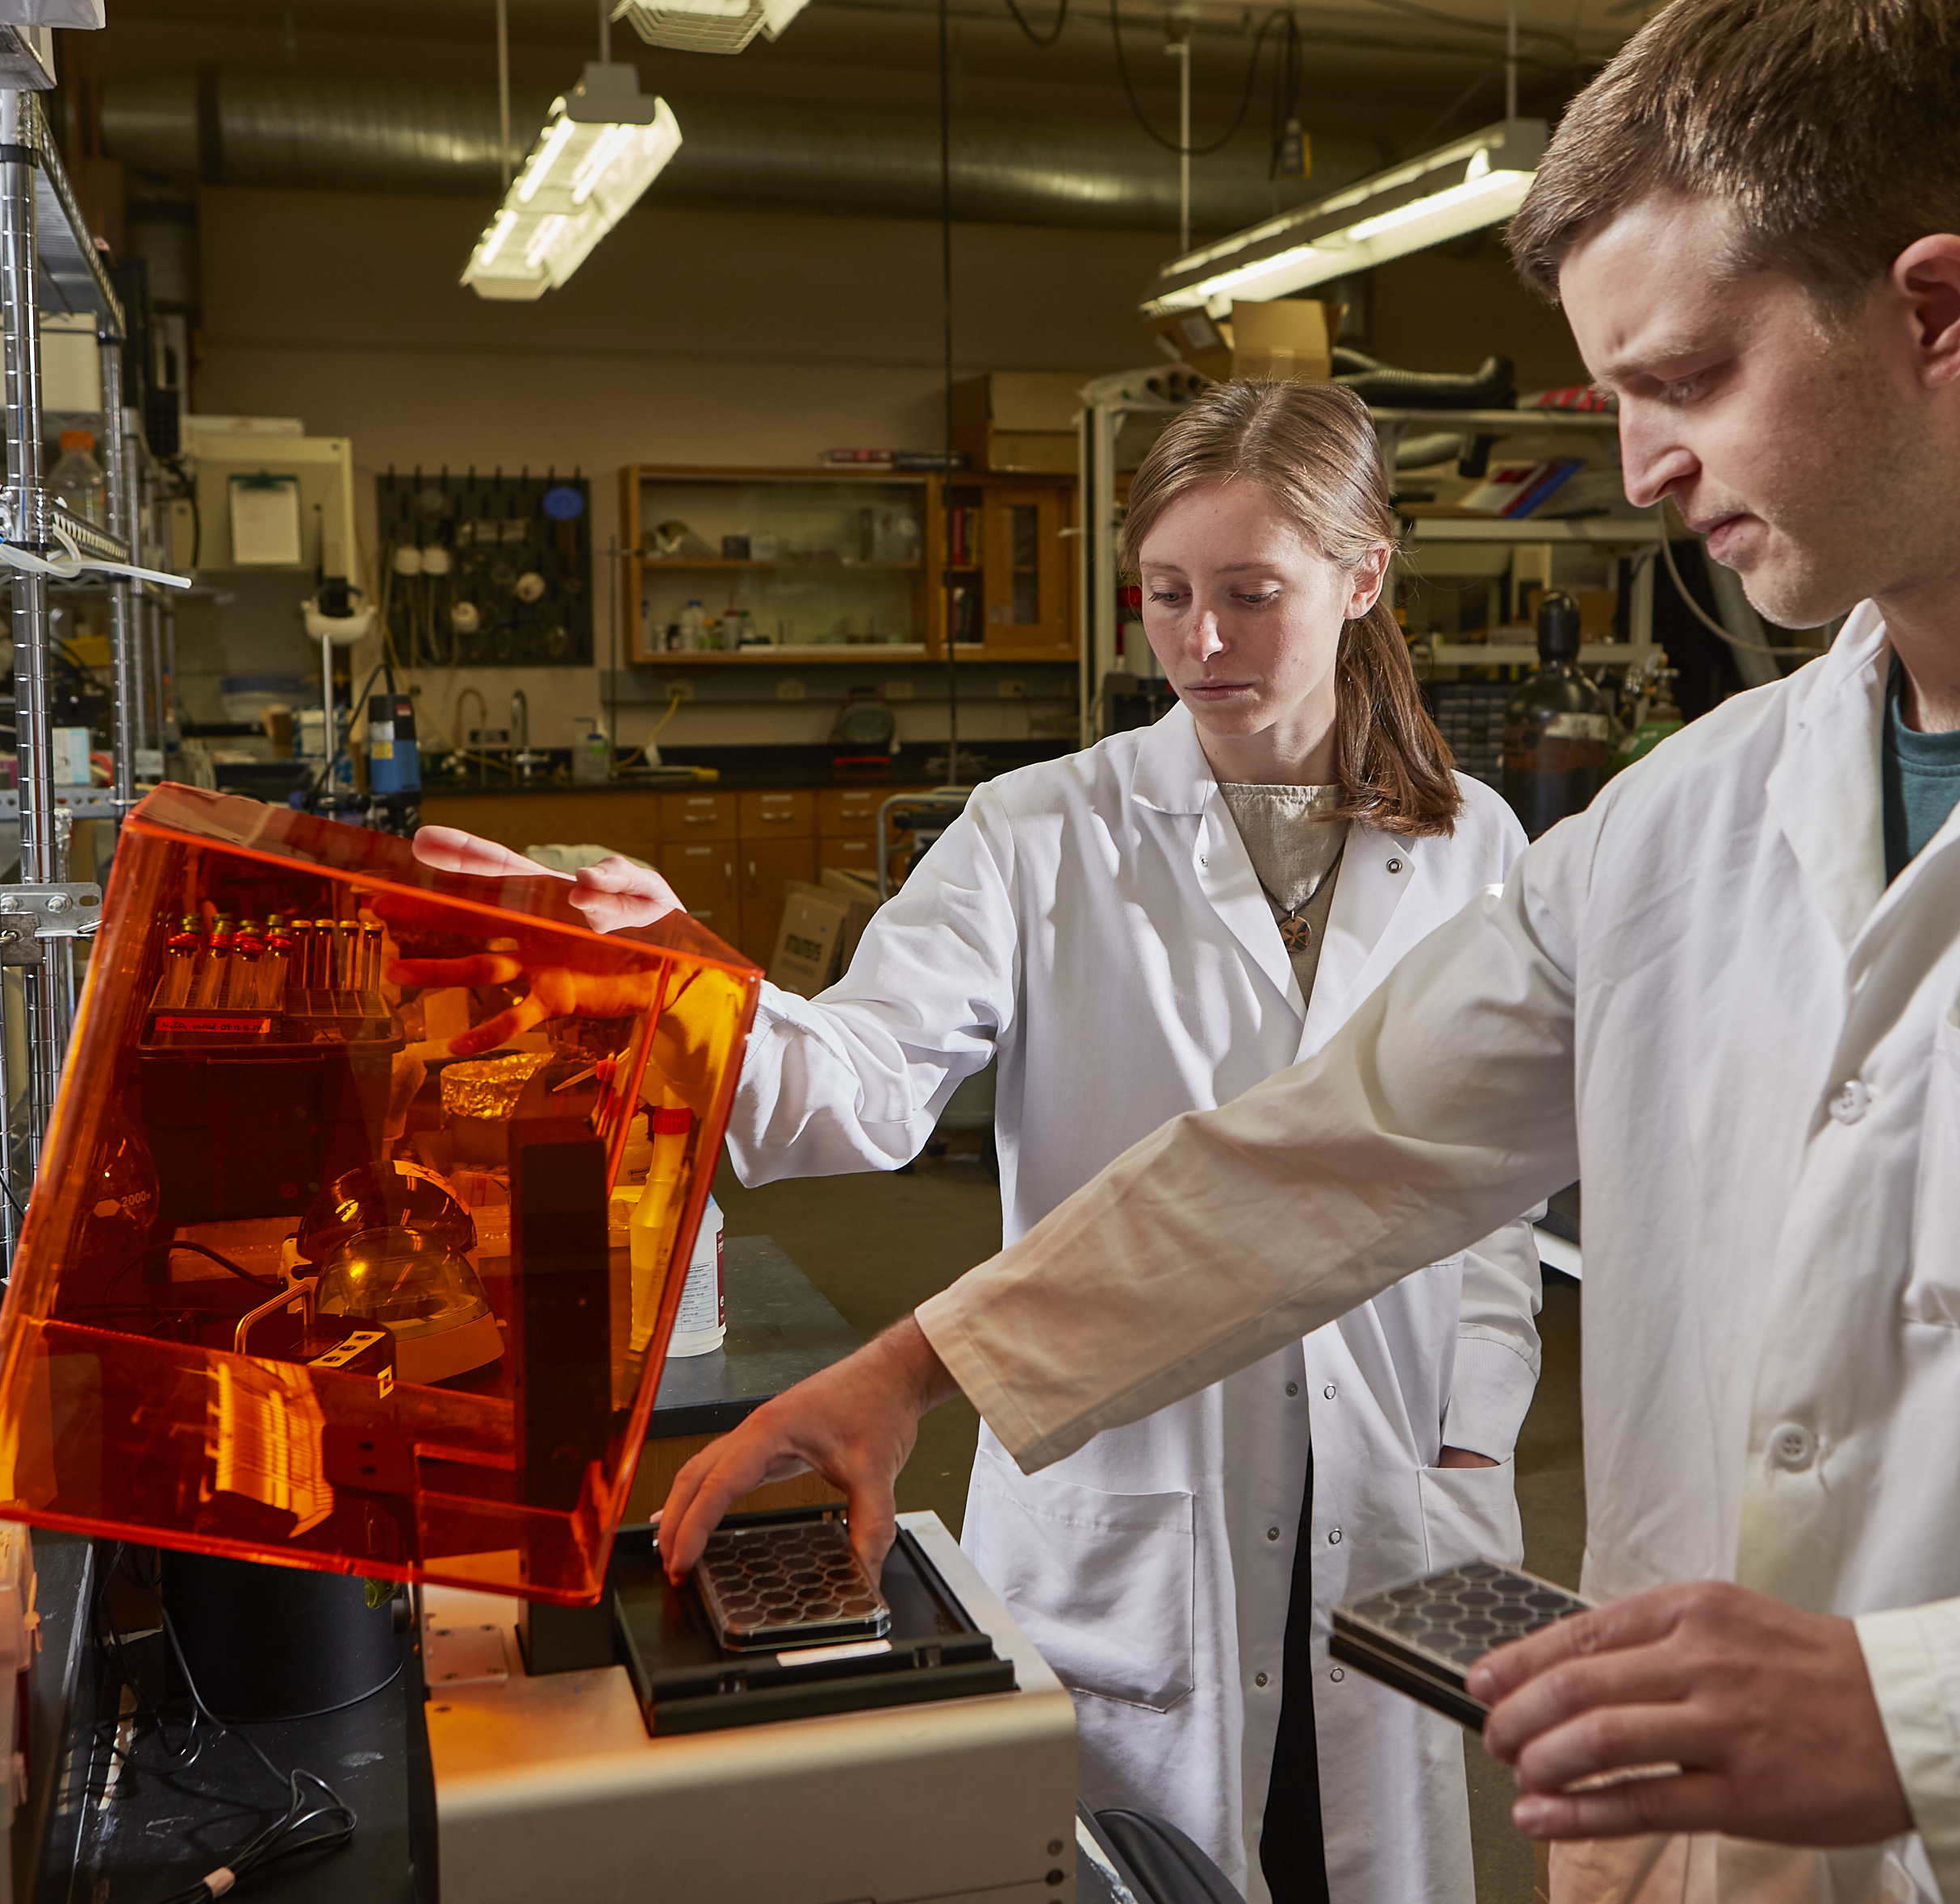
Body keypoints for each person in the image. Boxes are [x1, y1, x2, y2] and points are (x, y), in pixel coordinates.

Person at [653, 0, 1960, 1901]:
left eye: (1682, 379)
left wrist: (1936, 1718)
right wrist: (915, 1367)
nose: (1641, 469)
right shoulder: (1692, 821)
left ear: (1939, 309)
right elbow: (1324, 1157)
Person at [422, 381, 1545, 1904]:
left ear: (1364, 579)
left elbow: (1494, 1160)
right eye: (1166, 596)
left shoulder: (1473, 839)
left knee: (1371, 1850)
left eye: (1250, 595)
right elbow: (865, 1085)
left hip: (1397, 1476)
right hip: (1141, 1483)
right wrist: (683, 979)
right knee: (1136, 1867)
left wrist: (1476, 1412)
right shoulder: (1040, 832)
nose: (1202, 641)